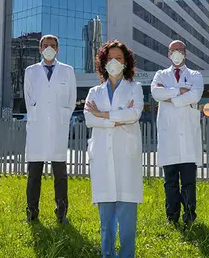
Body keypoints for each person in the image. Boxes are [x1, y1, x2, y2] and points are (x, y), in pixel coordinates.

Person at [83, 40, 143, 258]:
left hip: (126, 156)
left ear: (126, 62)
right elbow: (89, 118)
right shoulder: (94, 91)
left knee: (127, 219)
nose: (114, 62)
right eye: (110, 58)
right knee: (106, 219)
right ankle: (107, 254)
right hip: (101, 155)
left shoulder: (134, 88)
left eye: (119, 58)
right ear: (103, 62)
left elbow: (134, 114)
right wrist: (116, 118)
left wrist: (103, 114)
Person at [23, 34, 77, 223]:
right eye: (45, 45)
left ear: (58, 49)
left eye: (52, 45)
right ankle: (32, 211)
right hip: (38, 128)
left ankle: (61, 211)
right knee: (34, 173)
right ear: (40, 49)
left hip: (58, 127)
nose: (49, 48)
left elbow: (71, 100)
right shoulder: (30, 71)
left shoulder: (68, 71)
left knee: (60, 173)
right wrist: (36, 116)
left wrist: (63, 117)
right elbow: (28, 99)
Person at [151, 40, 204, 227]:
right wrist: (179, 91)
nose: (177, 53)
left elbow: (195, 95)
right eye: (173, 50)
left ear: (185, 53)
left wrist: (170, 97)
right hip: (168, 136)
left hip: (188, 136)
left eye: (180, 50)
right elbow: (156, 94)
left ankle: (189, 216)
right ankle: (172, 217)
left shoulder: (195, 75)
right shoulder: (160, 74)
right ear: (168, 54)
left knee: (189, 181)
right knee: (170, 181)